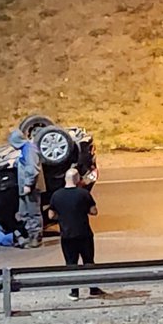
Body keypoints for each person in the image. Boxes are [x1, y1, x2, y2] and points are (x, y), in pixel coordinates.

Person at [48, 167, 105, 300]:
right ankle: (93, 288)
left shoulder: (57, 195)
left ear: (65, 179)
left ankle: (74, 291)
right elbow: (94, 211)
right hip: (84, 234)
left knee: (71, 263)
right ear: (78, 179)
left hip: (67, 235)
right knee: (88, 261)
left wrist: (63, 216)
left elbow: (51, 215)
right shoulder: (83, 194)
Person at [9, 128, 45, 248]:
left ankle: (36, 237)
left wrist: (28, 184)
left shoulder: (29, 150)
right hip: (26, 188)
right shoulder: (26, 149)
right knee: (23, 213)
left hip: (31, 188)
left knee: (33, 213)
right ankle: (30, 235)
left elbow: (32, 169)